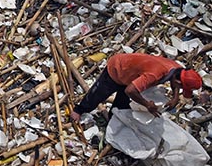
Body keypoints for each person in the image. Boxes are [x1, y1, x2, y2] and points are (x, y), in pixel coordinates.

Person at [69, 52, 203, 122]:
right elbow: (130, 90)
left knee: (122, 104)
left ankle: (113, 120)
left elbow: (175, 83)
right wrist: (147, 104)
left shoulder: (177, 69)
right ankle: (79, 110)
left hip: (132, 75)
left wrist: (175, 97)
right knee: (98, 93)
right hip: (118, 68)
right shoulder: (156, 74)